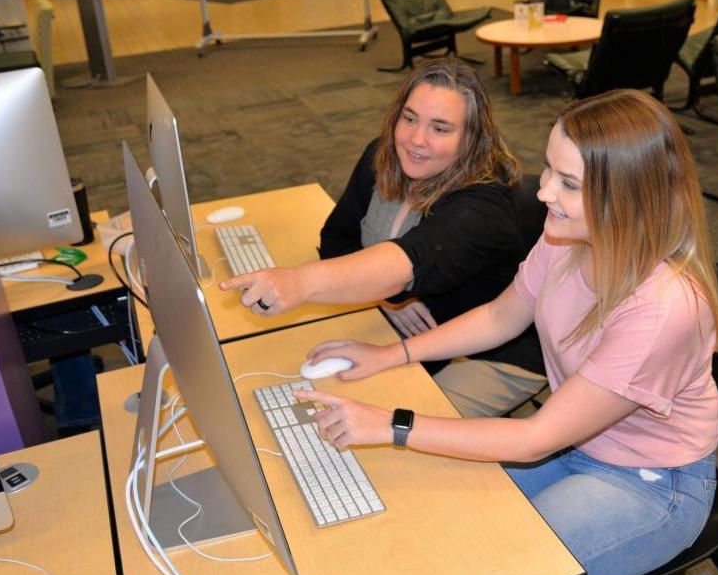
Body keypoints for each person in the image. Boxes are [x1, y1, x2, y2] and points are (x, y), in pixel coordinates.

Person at [295, 89, 718, 575]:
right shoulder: (567, 234)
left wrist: (391, 424)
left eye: (568, 183)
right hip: (577, 447)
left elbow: (533, 439)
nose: (543, 192)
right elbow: (502, 316)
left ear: (628, 198)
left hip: (649, 483)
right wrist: (391, 354)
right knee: (438, 517)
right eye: (549, 170)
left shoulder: (662, 307)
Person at [219, 57, 547, 415]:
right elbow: (337, 240)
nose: (416, 139)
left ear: (470, 139)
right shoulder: (384, 157)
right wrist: (390, 299)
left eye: (440, 128)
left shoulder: (481, 205)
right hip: (408, 333)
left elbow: (410, 259)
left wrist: (300, 281)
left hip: (491, 351)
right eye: (409, 119)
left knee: (395, 433)